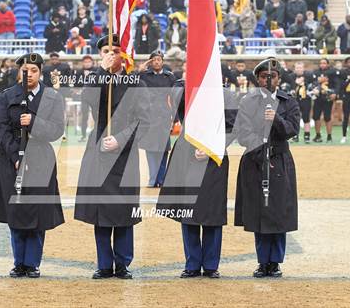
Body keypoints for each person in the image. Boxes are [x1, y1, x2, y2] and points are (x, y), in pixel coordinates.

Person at [74, 34, 150, 279]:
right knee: (101, 211)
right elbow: (87, 100)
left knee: (124, 211)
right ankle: (104, 264)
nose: (110, 55)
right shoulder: (96, 78)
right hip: (99, 150)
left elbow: (145, 121)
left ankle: (122, 263)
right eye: (106, 50)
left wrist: (121, 138)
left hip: (125, 155)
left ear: (124, 54)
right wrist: (101, 73)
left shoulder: (135, 83)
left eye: (115, 50)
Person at [0, 53, 65, 278]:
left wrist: (34, 122)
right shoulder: (7, 96)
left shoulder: (52, 97)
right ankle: (19, 262)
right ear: (19, 71)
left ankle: (32, 263)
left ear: (41, 72)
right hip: (11, 161)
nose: (29, 74)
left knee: (37, 210)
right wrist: (16, 155)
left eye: (34, 70)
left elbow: (57, 130)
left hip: (41, 159)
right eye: (25, 70)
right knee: (16, 210)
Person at [156, 77, 238, 279]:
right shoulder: (184, 87)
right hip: (187, 153)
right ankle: (192, 263)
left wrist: (214, 147)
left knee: (212, 211)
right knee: (188, 209)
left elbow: (234, 128)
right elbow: (175, 100)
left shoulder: (226, 94)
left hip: (214, 156)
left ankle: (211, 265)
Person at [235, 58, 299, 278]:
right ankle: (263, 261)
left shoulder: (288, 101)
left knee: (278, 212)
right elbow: (242, 133)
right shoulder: (248, 101)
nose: (268, 80)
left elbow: (292, 129)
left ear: (278, 78)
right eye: (263, 76)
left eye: (272, 76)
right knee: (259, 212)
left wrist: (277, 119)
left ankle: (275, 262)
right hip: (255, 160)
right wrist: (261, 151)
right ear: (258, 79)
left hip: (280, 161)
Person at [138, 50, 176, 188]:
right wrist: (140, 70)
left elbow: (174, 98)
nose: (156, 62)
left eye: (159, 59)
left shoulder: (169, 77)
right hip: (148, 116)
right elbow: (132, 84)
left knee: (163, 149)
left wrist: (175, 118)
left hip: (164, 116)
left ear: (163, 61)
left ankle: (162, 179)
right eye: (153, 59)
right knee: (150, 148)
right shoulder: (144, 75)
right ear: (150, 62)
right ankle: (153, 179)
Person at [311, 58, 338, 142]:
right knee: (316, 117)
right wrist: (316, 84)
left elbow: (337, 84)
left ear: (328, 64)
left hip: (327, 97)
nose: (322, 65)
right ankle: (318, 135)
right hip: (318, 97)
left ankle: (329, 136)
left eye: (324, 63)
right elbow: (312, 84)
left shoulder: (332, 72)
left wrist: (335, 93)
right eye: (321, 63)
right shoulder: (316, 72)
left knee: (327, 117)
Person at [292, 62, 313, 143]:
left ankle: (307, 135)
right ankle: (295, 135)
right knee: (295, 118)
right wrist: (296, 83)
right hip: (294, 100)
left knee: (306, 117)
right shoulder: (291, 76)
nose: (299, 69)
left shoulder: (308, 76)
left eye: (300, 68)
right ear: (295, 69)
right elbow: (289, 87)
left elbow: (312, 86)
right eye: (297, 68)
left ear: (303, 68)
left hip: (305, 99)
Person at [77, 55, 96, 142]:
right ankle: (83, 135)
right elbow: (76, 84)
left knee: (96, 116)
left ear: (92, 62)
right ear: (82, 63)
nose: (87, 63)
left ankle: (97, 134)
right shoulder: (79, 72)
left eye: (89, 62)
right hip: (84, 96)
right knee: (84, 116)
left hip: (95, 96)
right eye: (85, 62)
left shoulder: (97, 70)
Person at [340, 57, 350, 143]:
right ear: (346, 63)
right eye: (349, 62)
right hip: (347, 96)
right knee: (346, 116)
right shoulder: (343, 72)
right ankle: (344, 136)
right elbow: (342, 86)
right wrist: (349, 78)